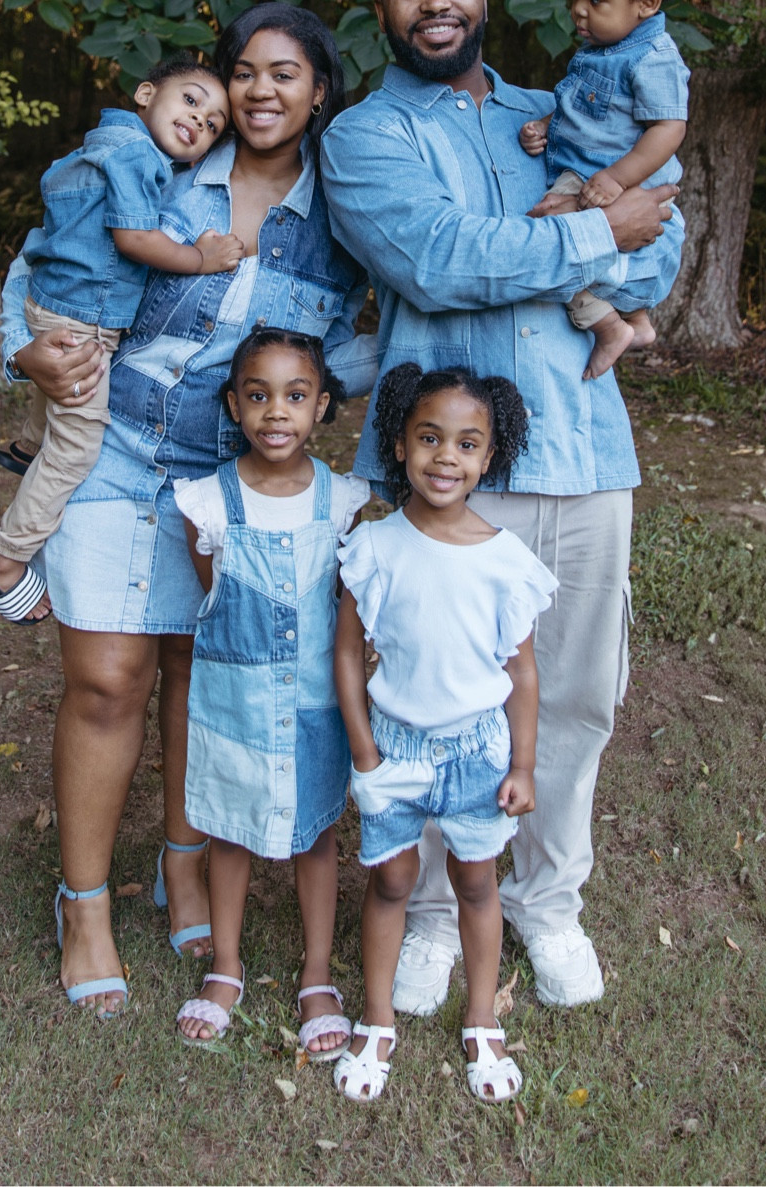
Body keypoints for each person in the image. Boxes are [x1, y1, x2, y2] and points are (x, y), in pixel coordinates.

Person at [319, 0, 677, 1014]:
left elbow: (662, 235)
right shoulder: (364, 138)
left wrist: (615, 247)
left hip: (583, 448)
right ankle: (432, 912)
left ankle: (547, 901)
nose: (436, 2)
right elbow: (438, 262)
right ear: (381, 7)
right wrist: (594, 233)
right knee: (432, 702)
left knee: (576, 695)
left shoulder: (555, 112)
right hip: (446, 473)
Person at [0, 4, 376, 1015]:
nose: (258, 90)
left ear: (320, 93)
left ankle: (183, 862)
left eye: (284, 74)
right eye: (242, 70)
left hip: (236, 472)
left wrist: (342, 394)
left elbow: (378, 324)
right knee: (108, 678)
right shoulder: (160, 161)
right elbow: (41, 258)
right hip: (115, 444)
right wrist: (23, 349)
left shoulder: (343, 207)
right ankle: (83, 905)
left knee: (196, 675)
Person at [334, 364, 554, 1104]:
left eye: (467, 444)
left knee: (476, 882)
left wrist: (523, 764)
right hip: (393, 748)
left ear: (489, 457)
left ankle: (482, 1019)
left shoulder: (505, 562)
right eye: (429, 438)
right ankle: (376, 1019)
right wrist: (364, 750)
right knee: (391, 880)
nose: (445, 458)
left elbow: (522, 673)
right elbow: (346, 654)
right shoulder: (374, 547)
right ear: (400, 445)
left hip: (477, 753)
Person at [0, 55, 241, 623]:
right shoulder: (136, 156)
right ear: (145, 93)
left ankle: (28, 445)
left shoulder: (99, 145)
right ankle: (4, 564)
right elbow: (134, 238)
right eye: (190, 100)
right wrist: (200, 258)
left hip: (52, 303)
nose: (199, 120)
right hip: (83, 323)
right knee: (77, 448)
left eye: (213, 124)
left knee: (57, 407)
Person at [170, 328, 369, 1052]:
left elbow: (344, 611)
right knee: (231, 833)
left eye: (295, 395)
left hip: (315, 705)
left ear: (321, 406)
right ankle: (225, 965)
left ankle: (317, 971)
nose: (276, 412)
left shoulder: (341, 500)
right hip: (236, 709)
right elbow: (215, 597)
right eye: (257, 396)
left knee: (317, 834)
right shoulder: (206, 503)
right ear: (234, 405)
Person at [517, 0, 690, 380]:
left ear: (646, 3)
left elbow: (669, 128)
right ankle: (638, 321)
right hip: (587, 172)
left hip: (608, 180)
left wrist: (616, 178)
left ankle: (610, 327)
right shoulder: (601, 49)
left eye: (595, 0)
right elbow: (585, 107)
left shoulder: (652, 57)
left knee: (545, 246)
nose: (578, 9)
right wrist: (547, 124)